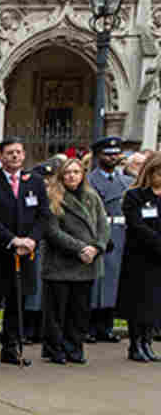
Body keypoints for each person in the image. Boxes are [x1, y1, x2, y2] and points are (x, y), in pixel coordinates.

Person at [0, 136, 46, 367]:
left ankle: (11, 348)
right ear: (1, 156)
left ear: (24, 155)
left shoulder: (35, 182)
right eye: (10, 153)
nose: (15, 156)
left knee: (18, 303)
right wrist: (12, 240)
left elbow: (43, 216)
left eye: (18, 152)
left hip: (26, 254)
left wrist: (32, 240)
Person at [39, 156, 109, 365]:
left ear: (82, 175)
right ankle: (55, 349)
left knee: (79, 311)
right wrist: (80, 248)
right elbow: (52, 231)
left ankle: (75, 348)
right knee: (56, 312)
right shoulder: (52, 197)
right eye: (68, 172)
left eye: (76, 172)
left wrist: (97, 247)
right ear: (61, 175)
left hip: (87, 263)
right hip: (60, 264)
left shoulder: (92, 196)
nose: (72, 176)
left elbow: (103, 225)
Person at [117, 151, 161, 361]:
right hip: (140, 257)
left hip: (158, 259)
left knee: (155, 303)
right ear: (149, 172)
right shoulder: (135, 195)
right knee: (139, 303)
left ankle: (147, 341)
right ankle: (135, 344)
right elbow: (137, 225)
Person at [88, 136, 129, 343]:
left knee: (113, 282)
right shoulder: (89, 181)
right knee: (95, 283)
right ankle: (89, 326)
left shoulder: (127, 182)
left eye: (116, 154)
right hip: (96, 234)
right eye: (107, 154)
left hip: (119, 233)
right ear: (98, 156)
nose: (113, 158)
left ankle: (107, 326)